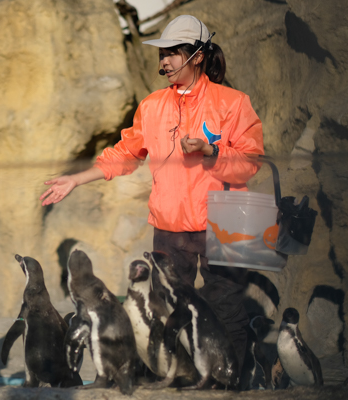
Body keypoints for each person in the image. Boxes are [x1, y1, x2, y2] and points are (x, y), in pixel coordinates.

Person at [40, 15, 264, 371]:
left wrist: (211, 152)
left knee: (227, 310)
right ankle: (183, 379)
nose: (164, 61)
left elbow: (251, 162)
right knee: (168, 310)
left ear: (198, 56)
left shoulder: (233, 103)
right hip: (171, 226)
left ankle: (230, 382)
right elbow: (124, 155)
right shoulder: (152, 106)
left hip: (226, 220)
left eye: (173, 53)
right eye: (162, 54)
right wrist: (76, 180)